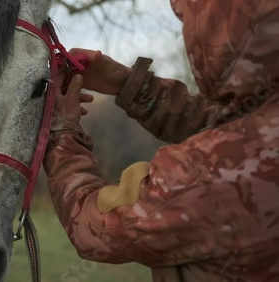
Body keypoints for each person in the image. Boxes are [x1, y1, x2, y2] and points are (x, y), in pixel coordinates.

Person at [43, 1, 279, 281]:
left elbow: (92, 224)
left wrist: (62, 132)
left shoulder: (205, 177)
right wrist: (129, 85)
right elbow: (231, 125)